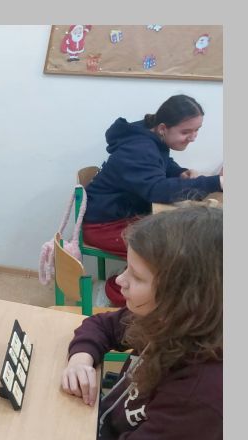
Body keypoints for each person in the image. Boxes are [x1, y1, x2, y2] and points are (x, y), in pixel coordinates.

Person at [61, 206, 222, 440]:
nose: (119, 281)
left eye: (135, 276)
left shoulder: (205, 391)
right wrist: (81, 357)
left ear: (184, 297)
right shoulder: (169, 318)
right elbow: (103, 325)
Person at [83, 94, 223, 306]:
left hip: (120, 215)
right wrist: (215, 182)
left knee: (177, 239)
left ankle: (130, 277)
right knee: (172, 255)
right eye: (186, 132)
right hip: (104, 225)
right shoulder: (139, 148)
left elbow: (162, 163)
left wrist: (179, 172)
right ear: (163, 128)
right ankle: (110, 292)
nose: (193, 137)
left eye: (197, 130)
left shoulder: (150, 137)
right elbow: (157, 190)